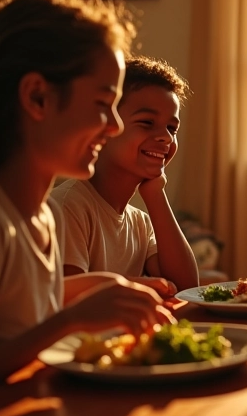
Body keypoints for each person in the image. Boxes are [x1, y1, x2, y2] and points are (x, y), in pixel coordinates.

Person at [0, 0, 174, 403]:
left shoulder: (39, 216)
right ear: (37, 97)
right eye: (102, 104)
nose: (113, 126)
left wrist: (100, 286)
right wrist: (69, 320)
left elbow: (15, 307)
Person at [51, 55, 199, 295]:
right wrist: (138, 285)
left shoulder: (140, 223)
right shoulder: (69, 206)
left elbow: (188, 289)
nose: (166, 137)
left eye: (172, 128)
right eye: (147, 122)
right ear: (107, 127)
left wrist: (155, 194)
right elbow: (70, 298)